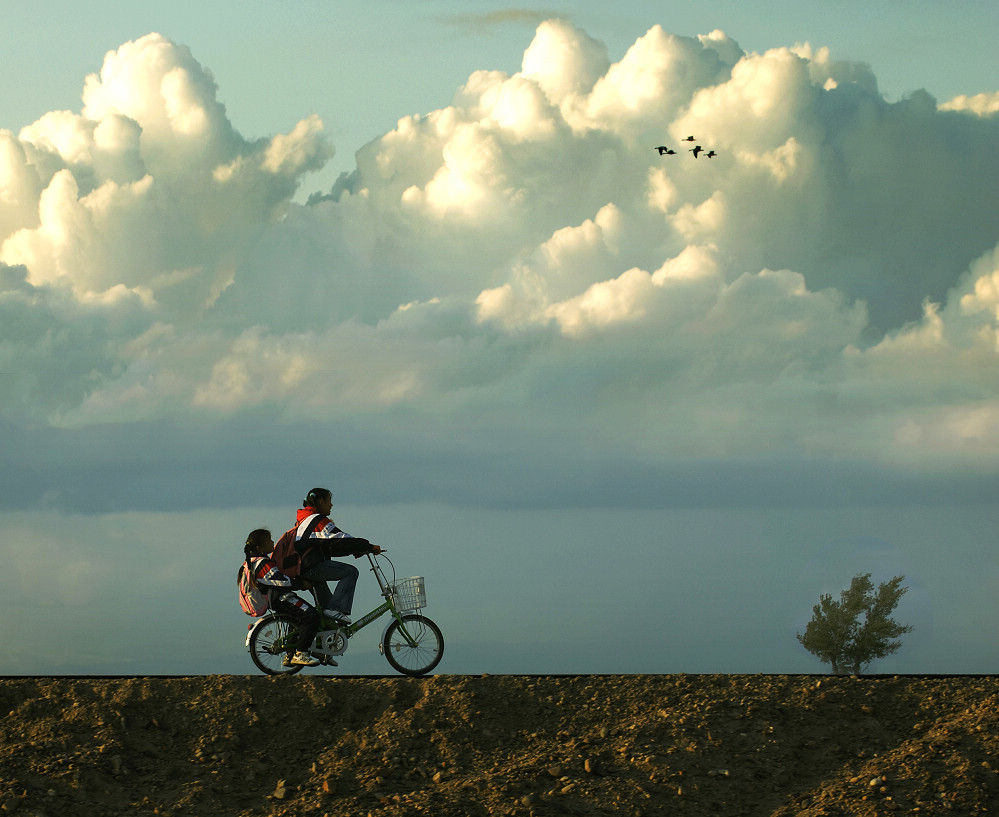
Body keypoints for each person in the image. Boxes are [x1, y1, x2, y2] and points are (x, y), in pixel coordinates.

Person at [294, 488, 381, 625]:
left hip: (304, 569)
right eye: (329, 501)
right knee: (351, 572)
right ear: (321, 502)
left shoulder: (305, 520)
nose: (331, 505)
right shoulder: (317, 521)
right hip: (311, 567)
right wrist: (368, 546)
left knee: (327, 614)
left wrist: (355, 551)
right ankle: (336, 609)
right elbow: (341, 539)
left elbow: (332, 547)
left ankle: (319, 638)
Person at [244, 528, 323, 667]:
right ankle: (301, 653)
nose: (273, 542)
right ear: (259, 547)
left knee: (297, 620)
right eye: (269, 541)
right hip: (281, 599)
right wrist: (300, 583)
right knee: (311, 615)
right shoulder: (261, 563)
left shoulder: (252, 562)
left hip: (276, 599)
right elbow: (279, 580)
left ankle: (292, 653)